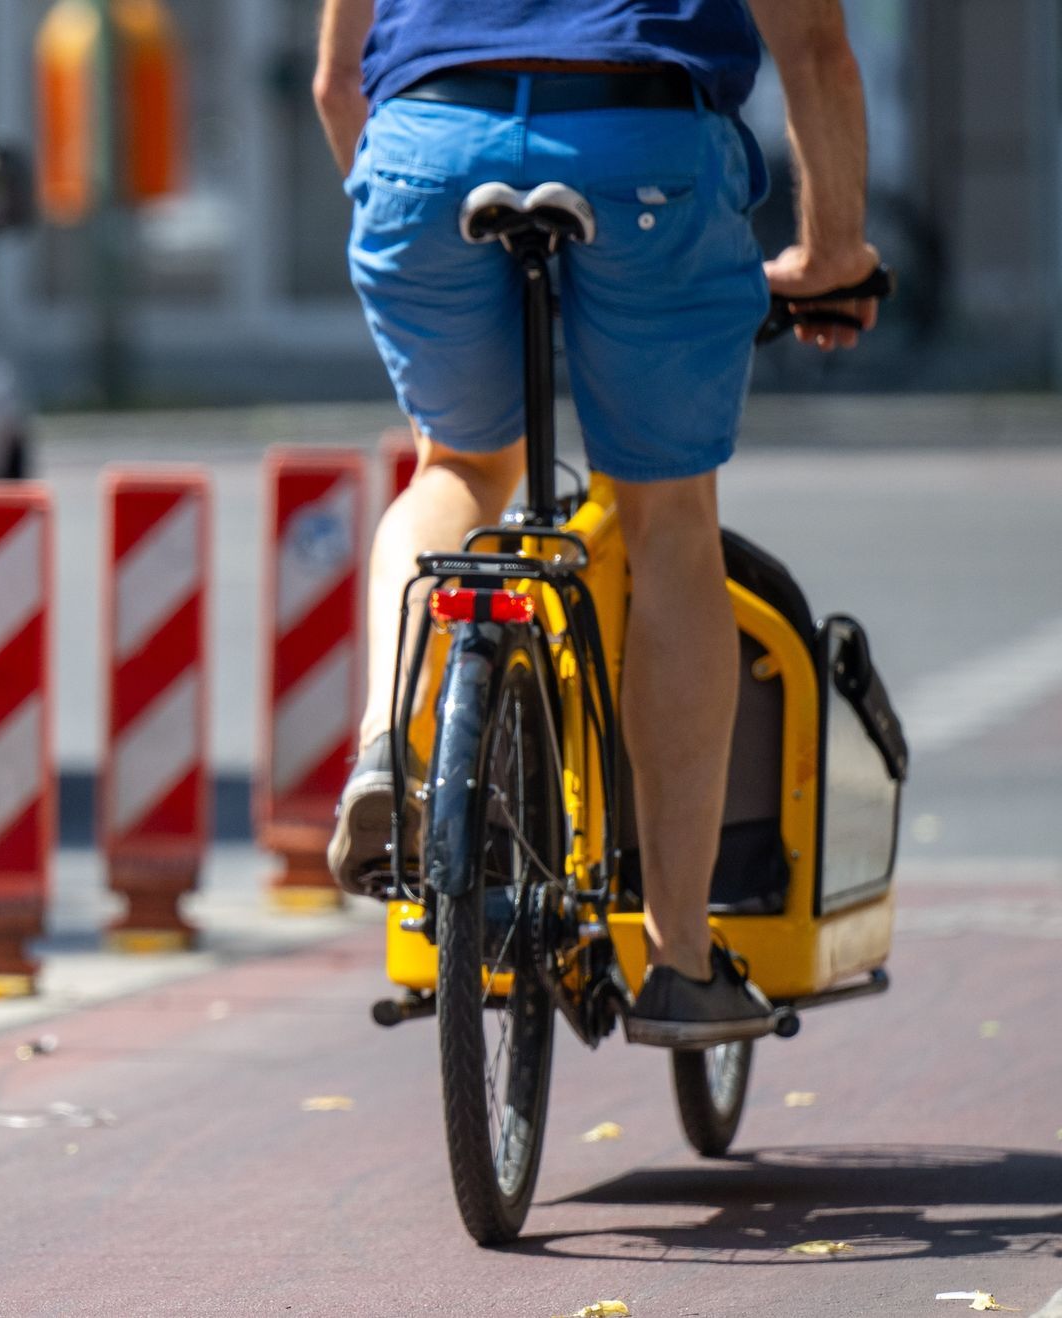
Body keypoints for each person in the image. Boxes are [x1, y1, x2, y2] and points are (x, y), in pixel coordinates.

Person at [314, 0, 881, 1046]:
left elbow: (332, 81)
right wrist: (832, 253)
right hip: (641, 151)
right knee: (667, 519)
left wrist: (400, 197)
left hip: (424, 143)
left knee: (457, 468)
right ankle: (676, 958)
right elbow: (812, 48)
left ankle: (387, 745)